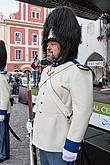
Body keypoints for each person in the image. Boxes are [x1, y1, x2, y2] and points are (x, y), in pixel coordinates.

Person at [27, 6, 93, 165]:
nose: (48, 47)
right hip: (42, 139)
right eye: (47, 43)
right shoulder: (46, 71)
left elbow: (83, 111)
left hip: (60, 144)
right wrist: (33, 120)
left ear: (65, 43)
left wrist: (72, 143)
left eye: (53, 43)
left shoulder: (78, 72)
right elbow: (42, 101)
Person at [0, 40, 11, 162]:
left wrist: (2, 113)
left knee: (2, 135)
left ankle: (3, 154)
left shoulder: (1, 77)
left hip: (2, 111)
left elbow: (4, 96)